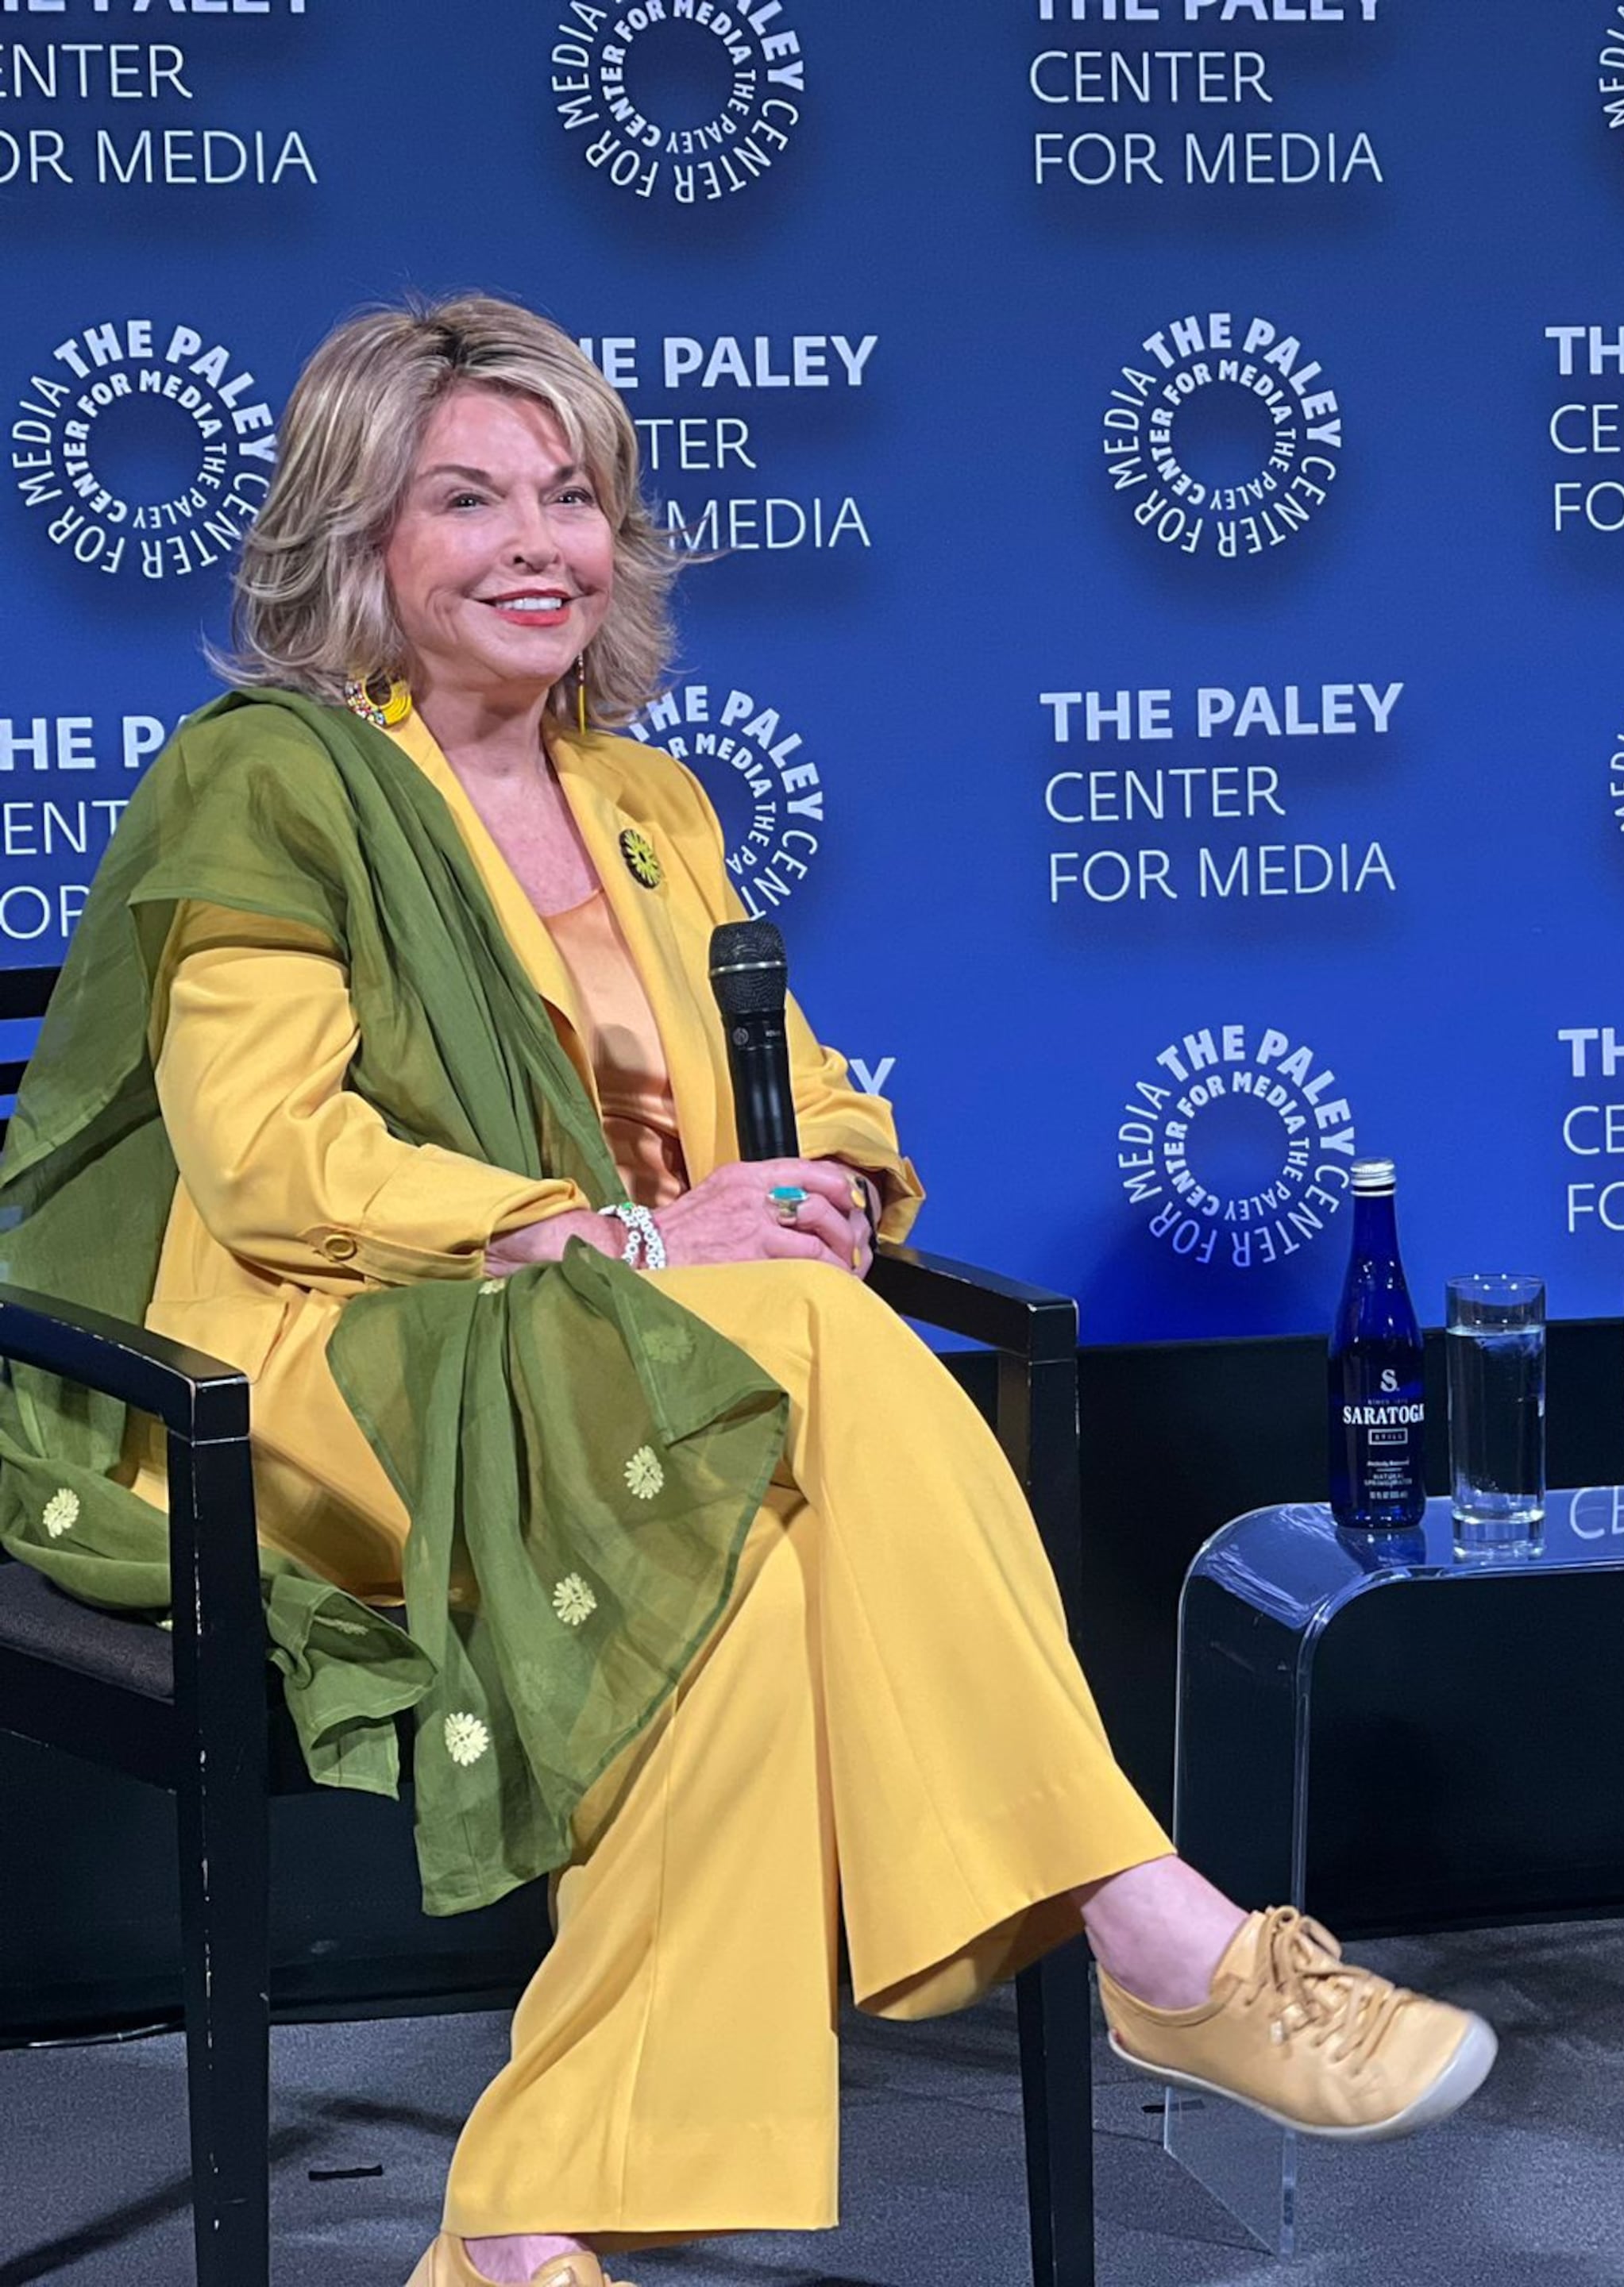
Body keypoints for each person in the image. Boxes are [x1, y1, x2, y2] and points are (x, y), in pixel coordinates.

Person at [0, 296, 1495, 2287]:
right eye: (469, 499)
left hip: (649, 1371)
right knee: (795, 1346)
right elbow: (274, 1159)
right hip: (331, 1373)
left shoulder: (650, 805)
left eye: (571, 495)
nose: (539, 543)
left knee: (757, 1571)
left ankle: (516, 2243)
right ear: (360, 536)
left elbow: (804, 1079)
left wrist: (836, 1181)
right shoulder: (267, 782)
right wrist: (627, 1240)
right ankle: (1155, 1932)